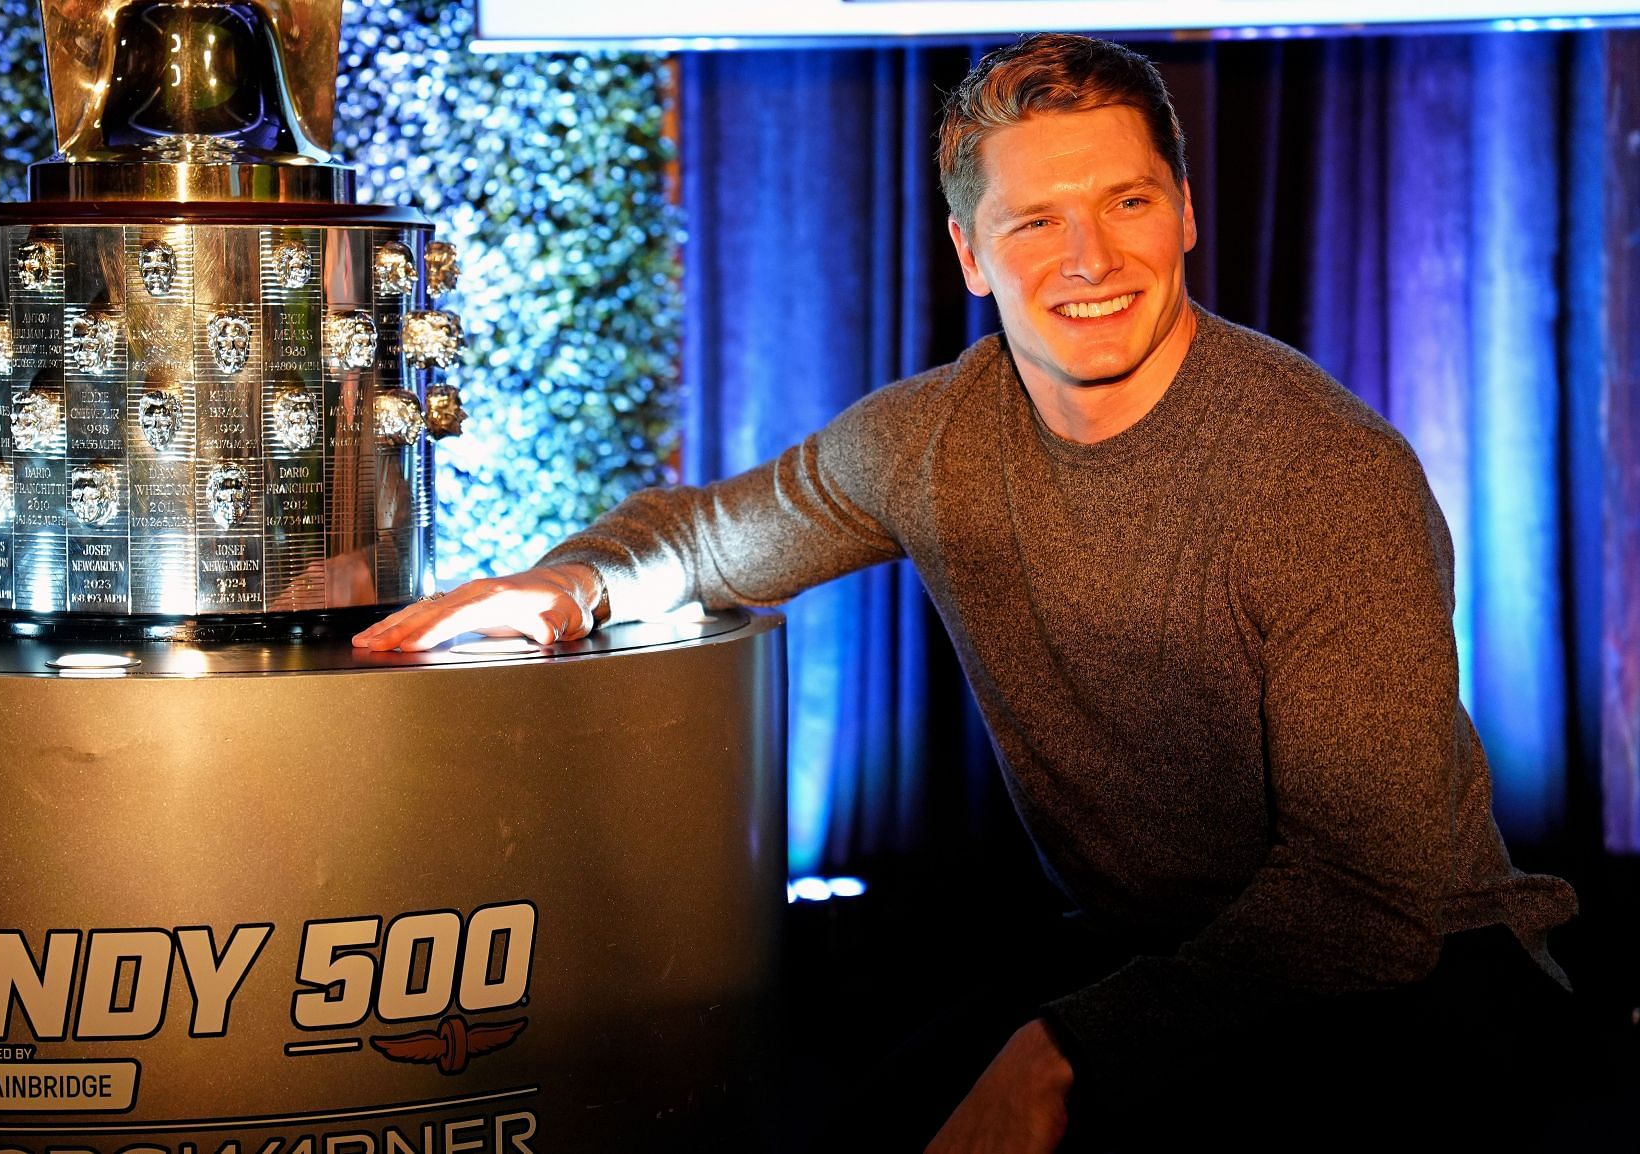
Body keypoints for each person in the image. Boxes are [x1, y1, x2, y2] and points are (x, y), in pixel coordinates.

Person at [356, 34, 1588, 1153]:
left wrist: (1067, 1052)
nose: (1092, 258)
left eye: (1127, 202)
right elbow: (716, 533)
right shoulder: (937, 436)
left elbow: (1367, 897)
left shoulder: (1323, 474)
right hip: (1149, 952)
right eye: (1036, 221)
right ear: (969, 253)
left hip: (1415, 981)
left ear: (1187, 213)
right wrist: (571, 585)